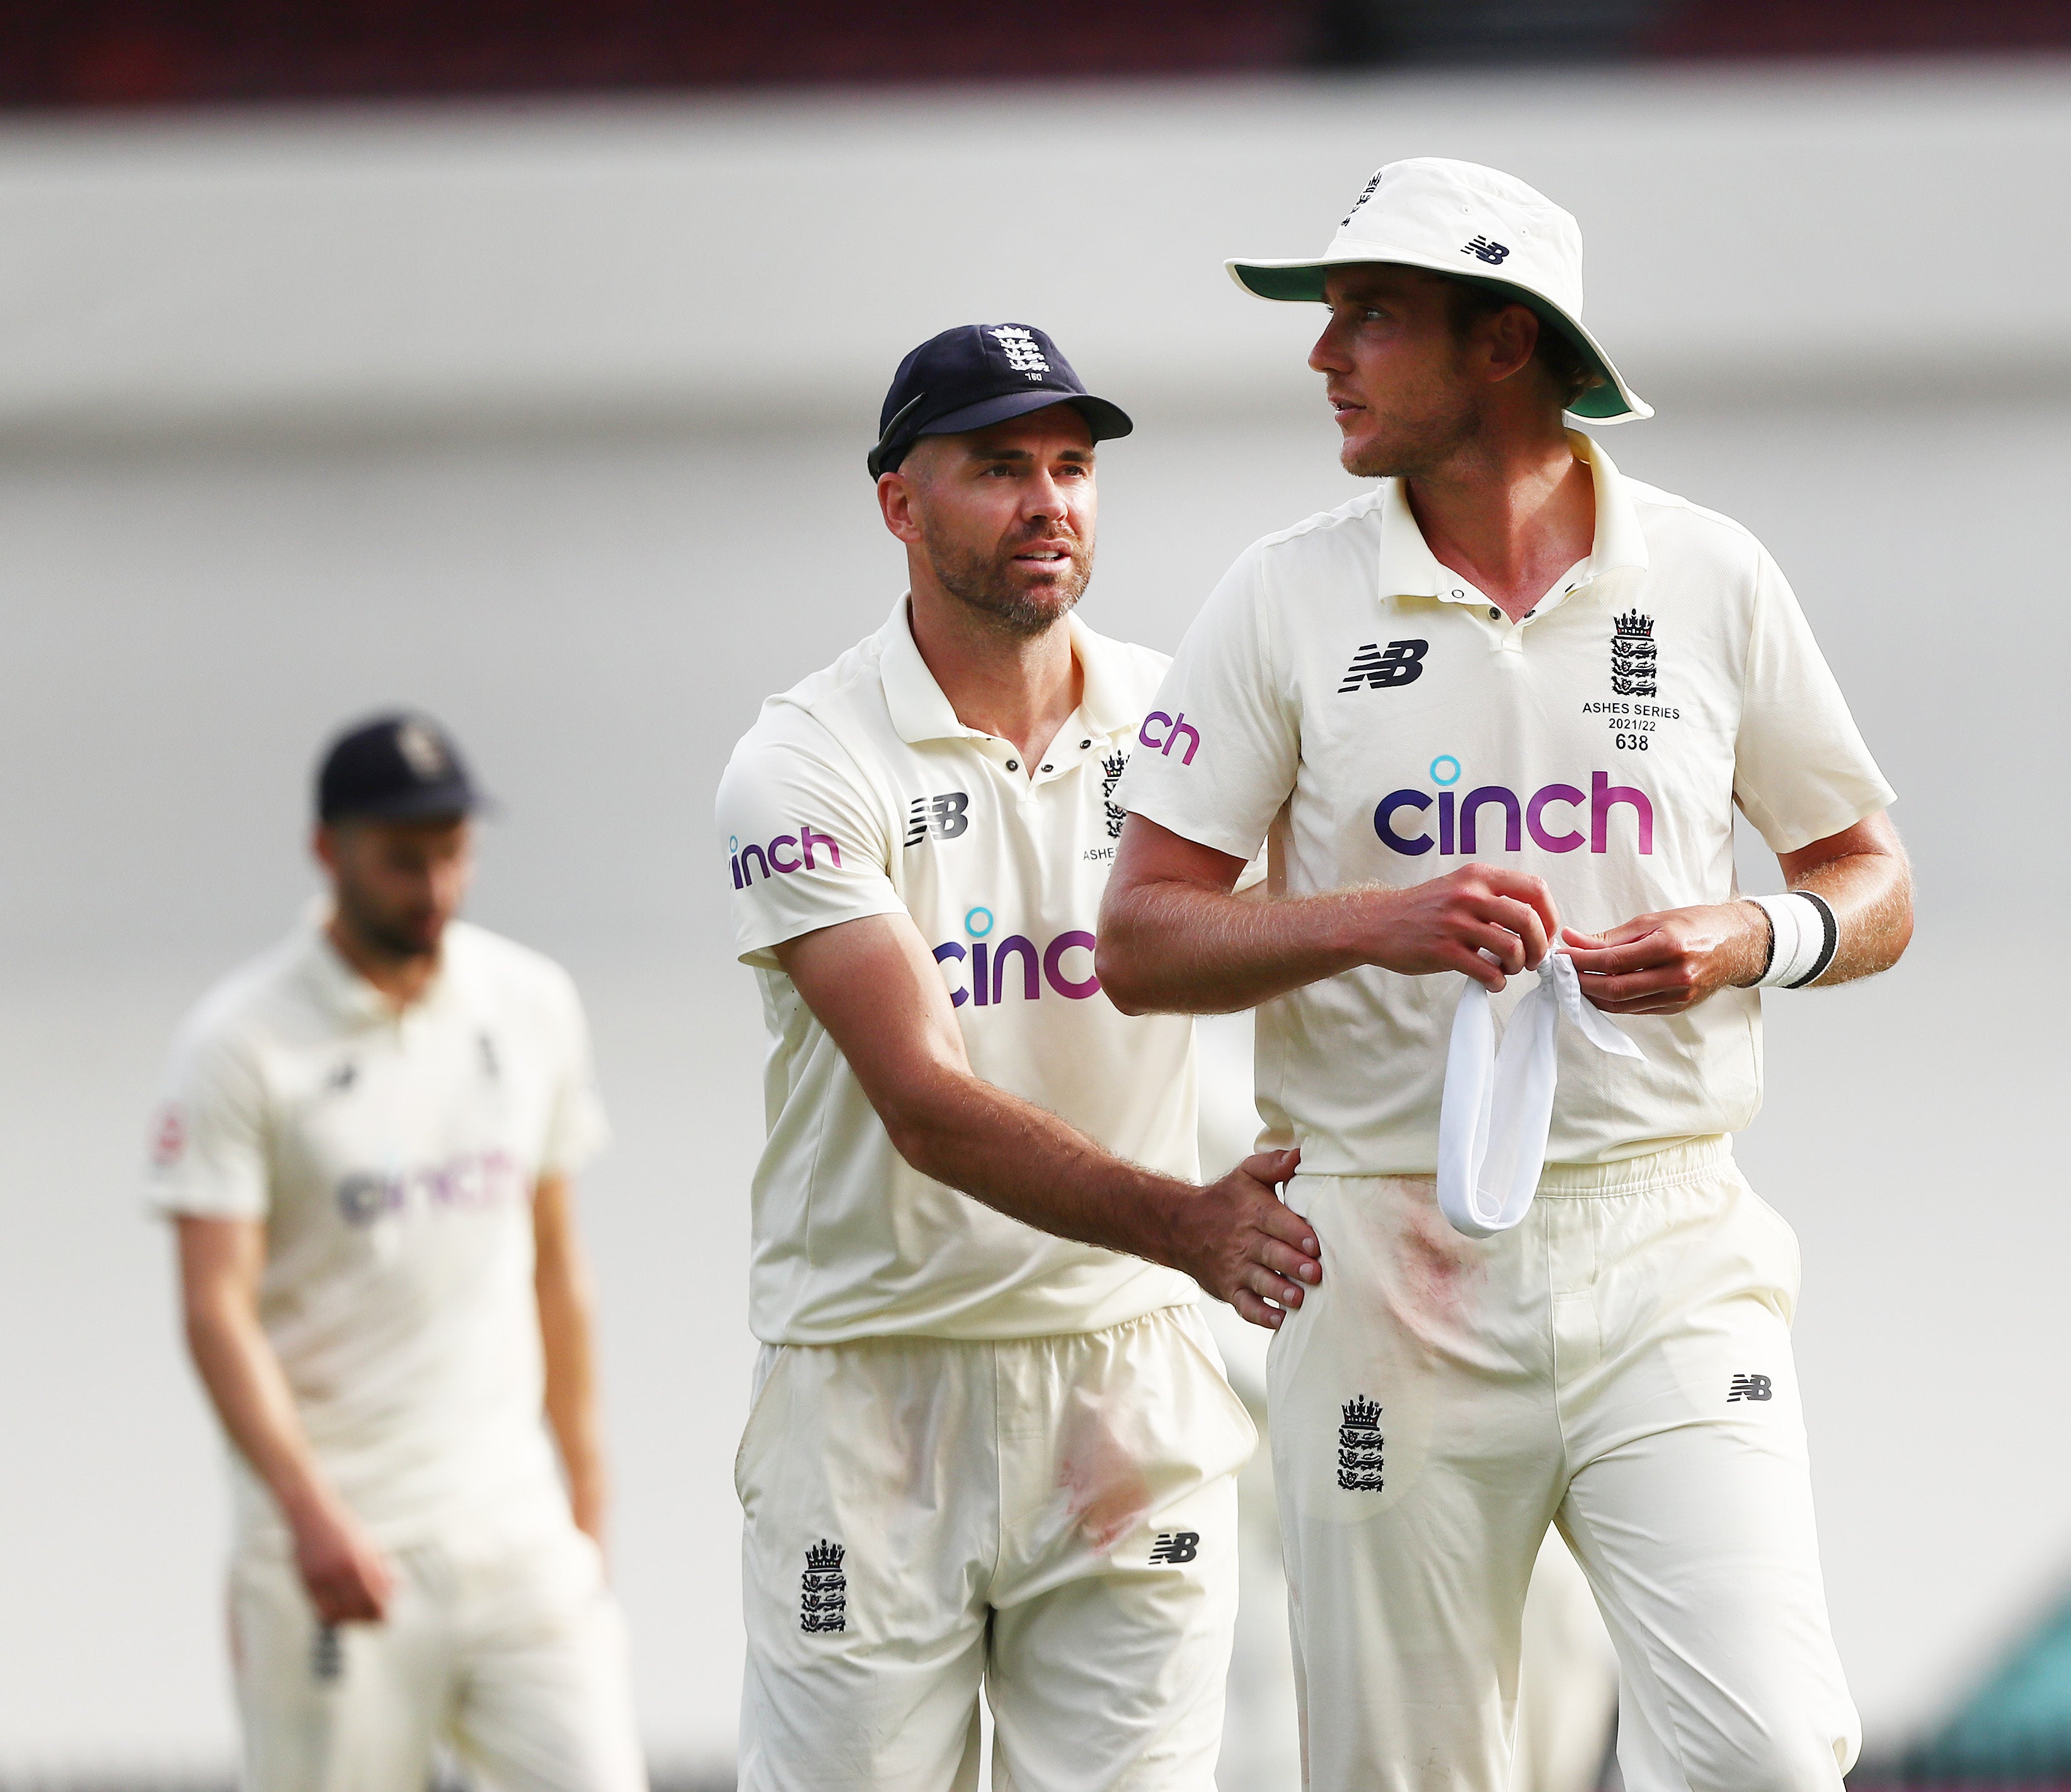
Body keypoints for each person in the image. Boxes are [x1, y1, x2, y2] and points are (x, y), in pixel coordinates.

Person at [1098, 158, 1910, 1791]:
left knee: (1763, 1749)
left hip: (1668, 1234)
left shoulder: (1709, 575)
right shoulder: (1283, 593)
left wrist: (1751, 934)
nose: (1323, 357)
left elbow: (1870, 880)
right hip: (1387, 1255)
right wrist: (1373, 919)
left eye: (1369, 318)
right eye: (1328, 320)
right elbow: (1141, 936)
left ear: (1503, 345)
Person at [713, 321, 1321, 1791]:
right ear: (901, 506)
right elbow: (924, 1107)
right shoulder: (804, 761)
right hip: (876, 1400)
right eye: (999, 468)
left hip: (1127, 1395)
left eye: (1071, 466)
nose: (1050, 500)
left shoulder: (1185, 722)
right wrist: (1187, 1222)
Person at [152, 713, 645, 1792]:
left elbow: (556, 1264)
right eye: (404, 860)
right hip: (335, 1554)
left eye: (455, 854)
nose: (436, 886)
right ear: (328, 852)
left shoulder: (529, 1004)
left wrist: (586, 1510)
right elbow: (214, 1309)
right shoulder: (240, 1045)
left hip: (515, 1537)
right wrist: (308, 1516)